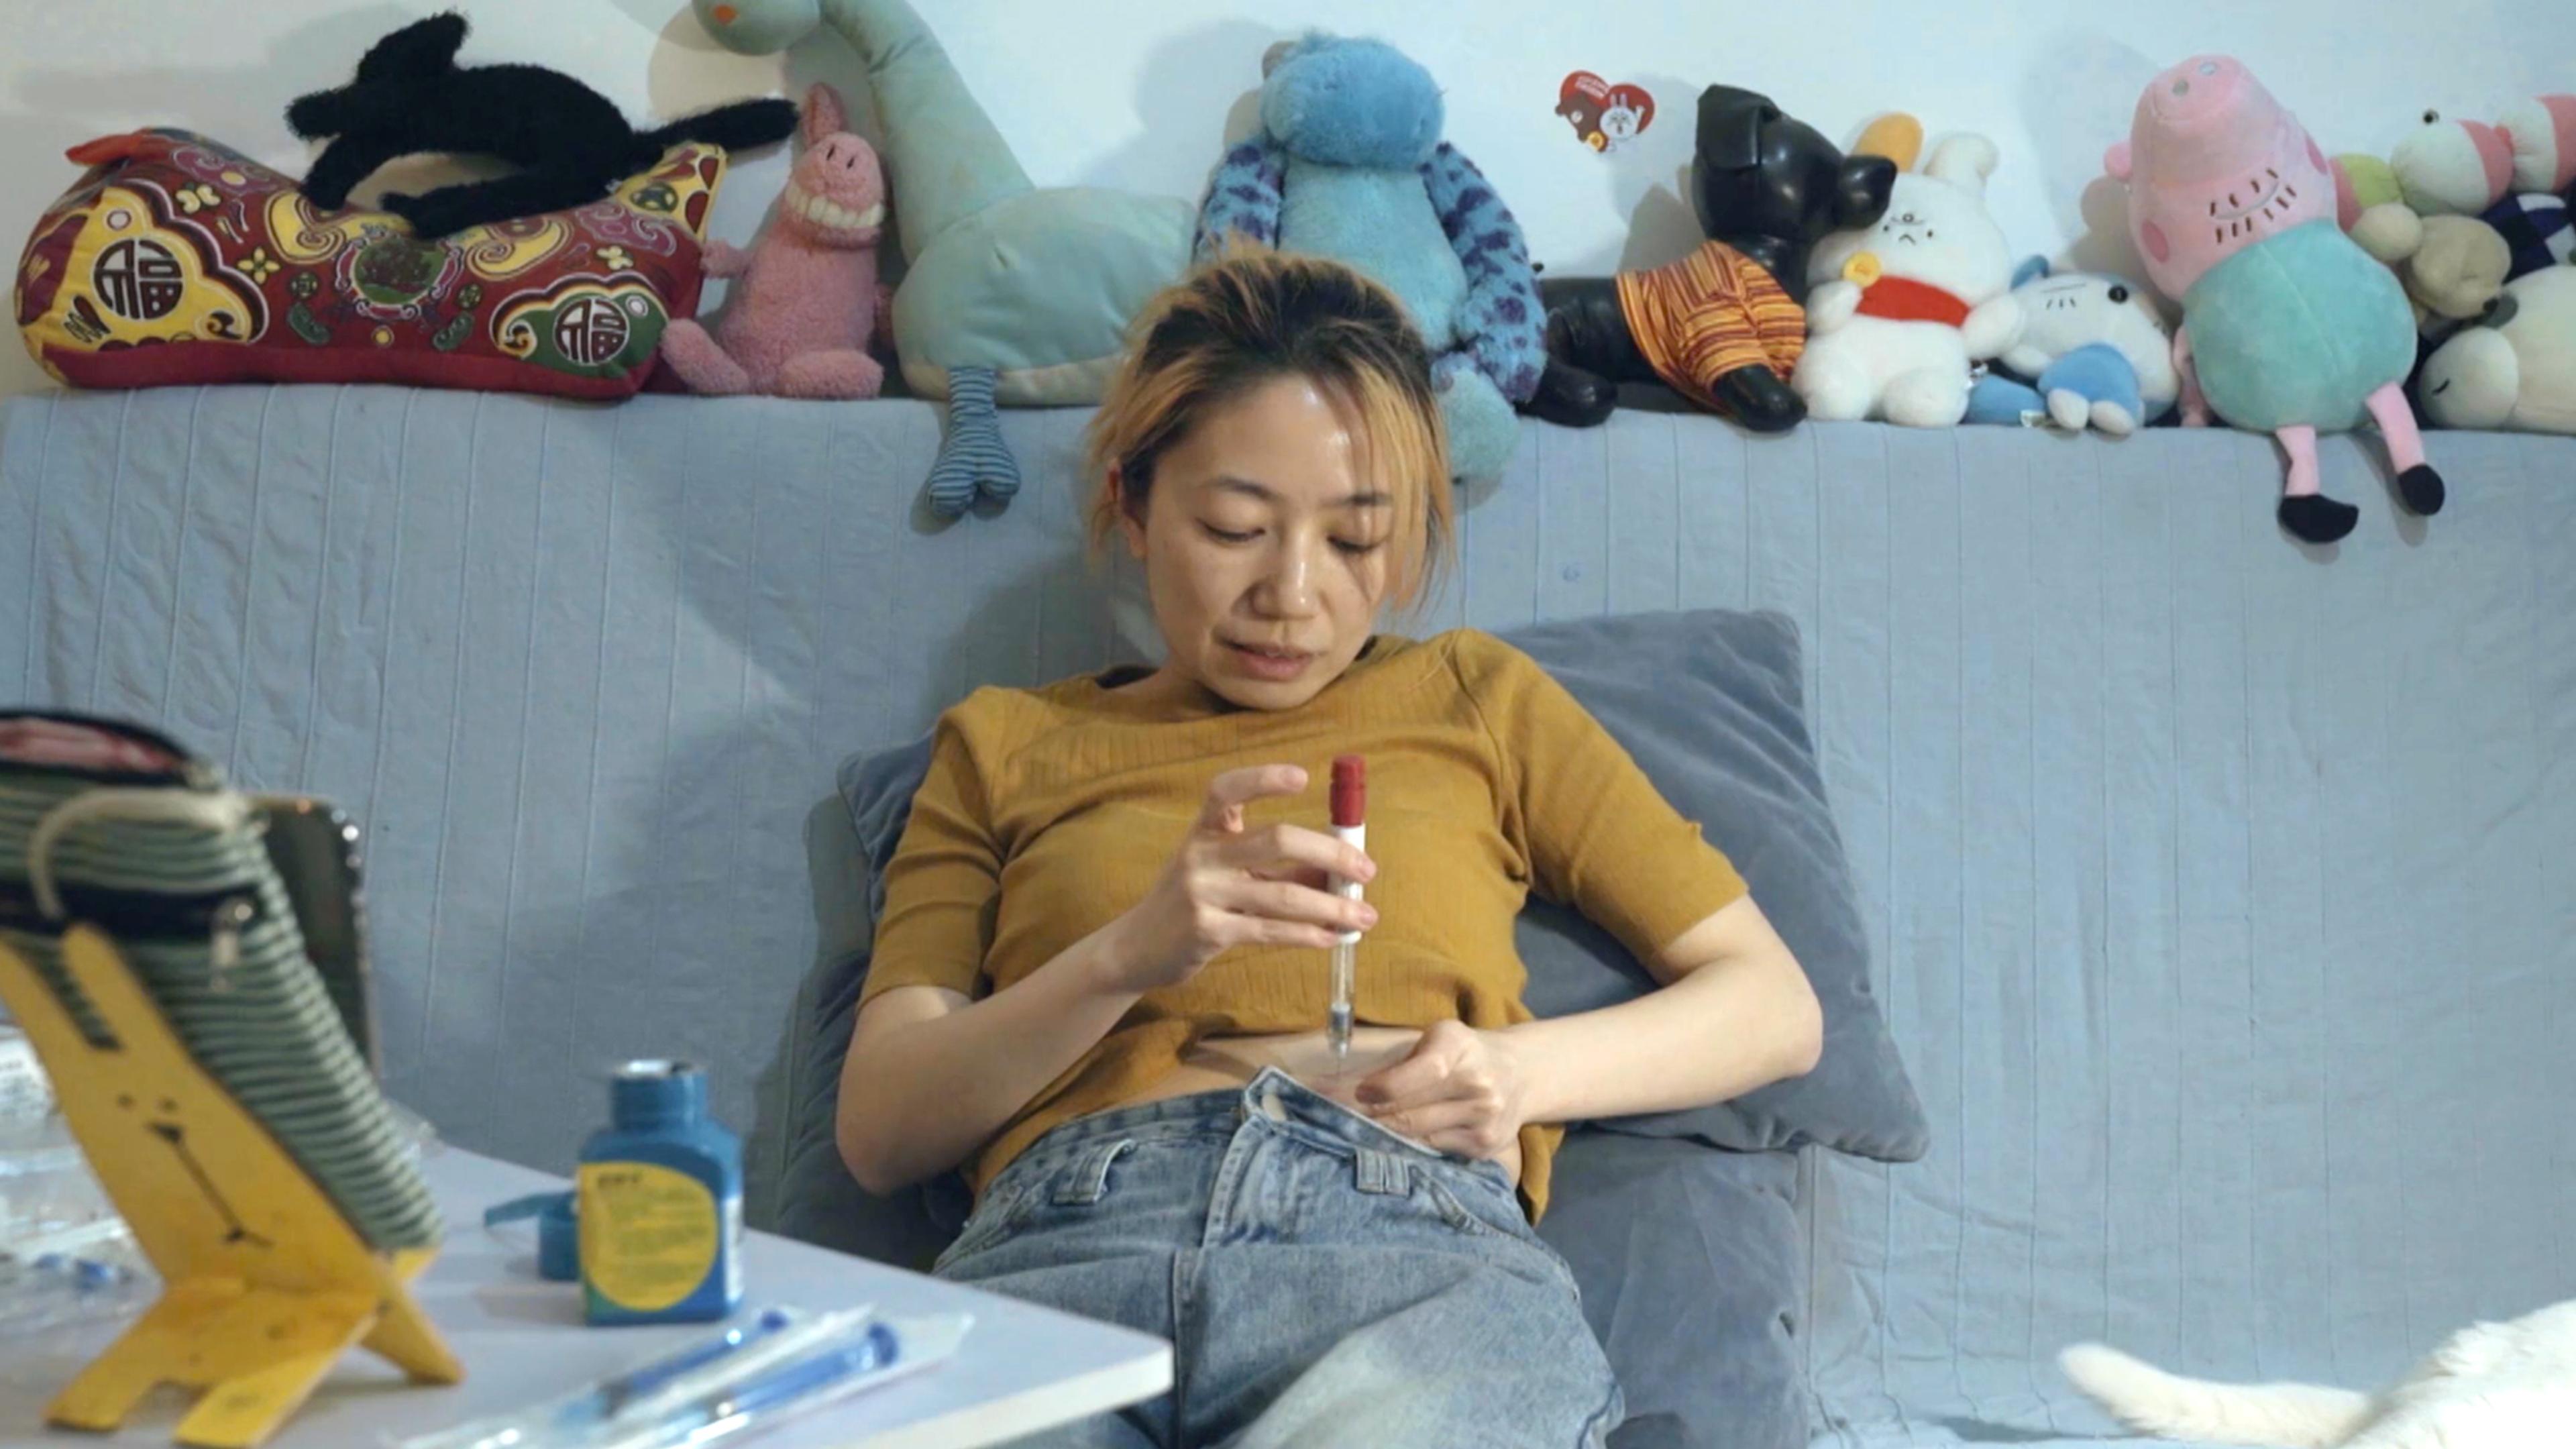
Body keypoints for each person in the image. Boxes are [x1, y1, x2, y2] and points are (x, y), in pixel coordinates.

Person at [838, 248, 1825, 1448]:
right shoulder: (1005, 743)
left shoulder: (1476, 698)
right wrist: (1125, 957)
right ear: (1133, 505)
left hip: (1400, 1240)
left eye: (1358, 542)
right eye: (1235, 527)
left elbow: (1773, 1007)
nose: (1293, 594)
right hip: (1059, 1254)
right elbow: (884, 1132)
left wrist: (1521, 1078)